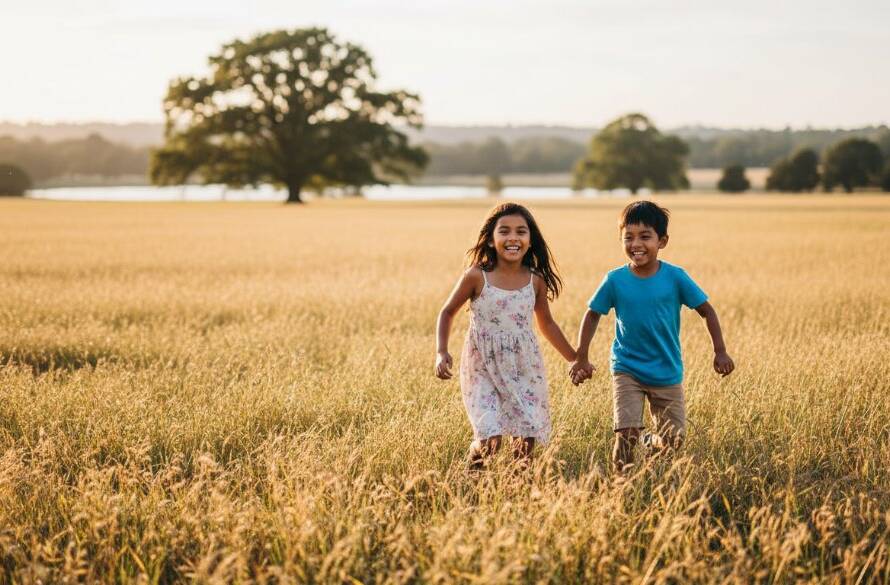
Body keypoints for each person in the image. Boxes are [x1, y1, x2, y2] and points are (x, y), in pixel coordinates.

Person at [570, 200, 735, 472]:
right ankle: (622, 487)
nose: (636, 244)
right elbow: (592, 314)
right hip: (627, 369)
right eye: (629, 237)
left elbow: (707, 311)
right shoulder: (614, 280)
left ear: (663, 241)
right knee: (626, 433)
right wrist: (581, 356)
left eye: (645, 237)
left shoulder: (676, 277)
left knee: (674, 439)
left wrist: (720, 351)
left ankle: (652, 443)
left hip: (666, 371)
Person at [435, 202, 576, 469]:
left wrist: (574, 358)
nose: (513, 238)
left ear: (530, 240)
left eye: (521, 231)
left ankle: (516, 494)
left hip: (523, 367)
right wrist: (441, 351)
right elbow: (447, 312)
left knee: (525, 439)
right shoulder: (477, 276)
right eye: (505, 231)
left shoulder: (535, 280)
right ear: (490, 239)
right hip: (483, 368)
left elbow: (546, 323)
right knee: (490, 438)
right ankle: (474, 482)